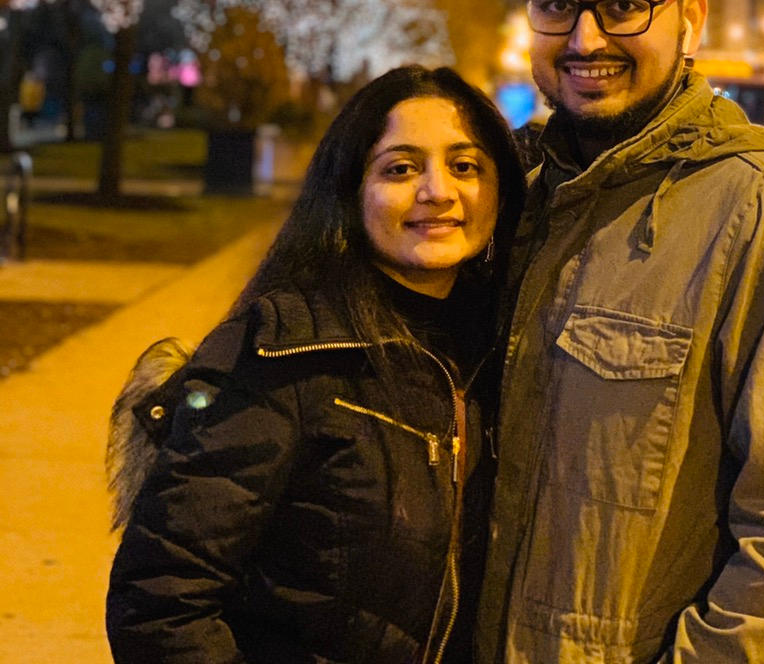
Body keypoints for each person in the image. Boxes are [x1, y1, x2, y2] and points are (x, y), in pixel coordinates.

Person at [477, 0, 764, 664]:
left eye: (624, 5)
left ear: (688, 19)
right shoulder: (504, 192)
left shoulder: (760, 212)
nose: (585, 39)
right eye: (556, 5)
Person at [106, 64, 525, 664]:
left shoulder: (506, 352)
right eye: (400, 169)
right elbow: (161, 604)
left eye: (465, 166)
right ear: (350, 191)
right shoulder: (282, 354)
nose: (438, 191)